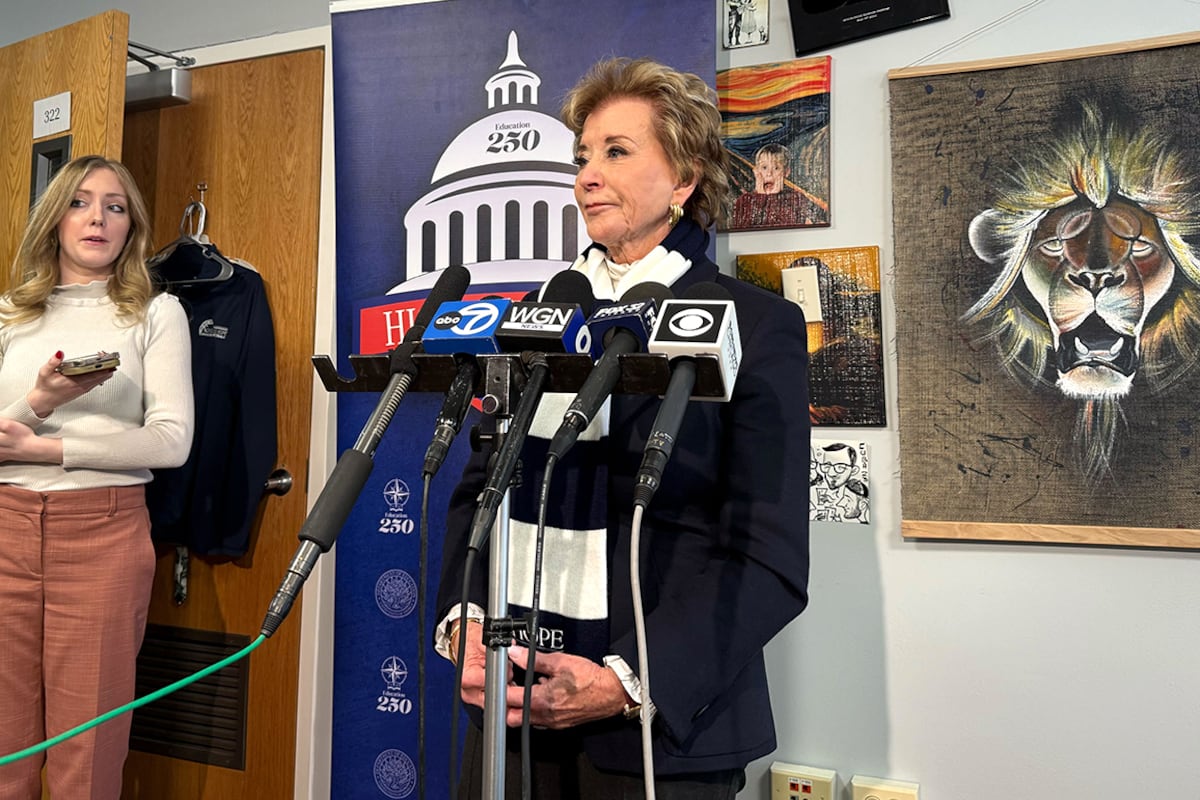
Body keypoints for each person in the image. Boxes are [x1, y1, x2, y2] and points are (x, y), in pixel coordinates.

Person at [436, 57, 810, 798]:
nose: (587, 177)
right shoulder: (539, 314)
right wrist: (466, 620)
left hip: (659, 736)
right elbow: (480, 491)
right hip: (511, 718)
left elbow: (767, 556)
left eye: (615, 152)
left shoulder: (757, 324)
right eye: (583, 157)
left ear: (684, 178)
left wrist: (627, 679)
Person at [0, 155, 194, 799]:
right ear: (54, 219)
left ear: (131, 226)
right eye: (80, 203)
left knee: (87, 752)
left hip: (103, 533)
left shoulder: (156, 313)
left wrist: (50, 449)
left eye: (116, 207)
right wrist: (40, 402)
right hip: (6, 529)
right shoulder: (8, 315)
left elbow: (171, 441)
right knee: (6, 747)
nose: (98, 219)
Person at [730, 143, 828, 229]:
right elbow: (743, 231)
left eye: (776, 168)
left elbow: (786, 230)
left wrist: (773, 198)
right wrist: (760, 197)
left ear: (786, 172)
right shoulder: (744, 201)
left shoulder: (796, 199)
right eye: (764, 167)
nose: (769, 173)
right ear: (756, 171)